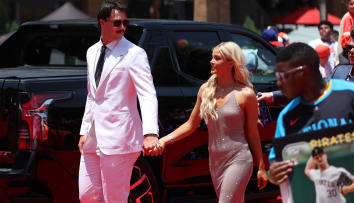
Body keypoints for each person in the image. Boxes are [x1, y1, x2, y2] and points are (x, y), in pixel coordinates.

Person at [154, 41, 268, 202]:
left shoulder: (245, 94)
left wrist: (261, 167)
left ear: (231, 62)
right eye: (212, 57)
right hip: (215, 161)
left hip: (239, 159)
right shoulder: (205, 90)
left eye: (217, 58)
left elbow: (252, 133)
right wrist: (165, 140)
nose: (211, 61)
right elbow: (190, 125)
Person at [77, 1, 159, 202]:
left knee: (115, 198)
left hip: (120, 138)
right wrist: (83, 130)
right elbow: (92, 95)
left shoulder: (135, 54)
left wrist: (150, 133)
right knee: (87, 195)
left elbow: (147, 94)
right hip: (92, 137)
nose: (122, 27)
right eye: (117, 23)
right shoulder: (91, 52)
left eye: (125, 23)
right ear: (102, 22)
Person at [267, 42, 354, 187]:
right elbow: (277, 162)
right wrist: (273, 174)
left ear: (303, 72)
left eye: (282, 75)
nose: (278, 83)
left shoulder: (353, 94)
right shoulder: (286, 116)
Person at [257, 29, 354, 104]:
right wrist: (272, 95)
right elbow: (313, 89)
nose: (351, 51)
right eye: (349, 47)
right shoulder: (340, 72)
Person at [337, 0, 354, 64]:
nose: (353, 6)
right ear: (347, 6)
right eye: (351, 4)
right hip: (347, 52)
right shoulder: (348, 17)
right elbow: (346, 38)